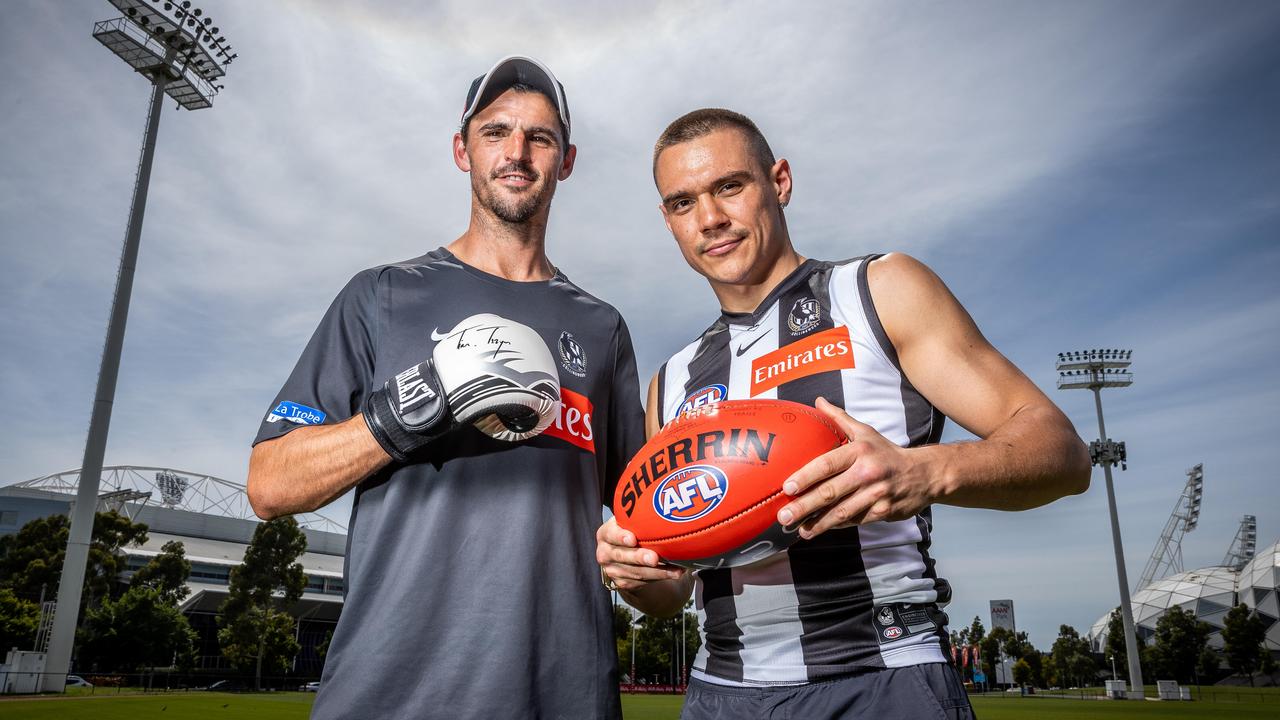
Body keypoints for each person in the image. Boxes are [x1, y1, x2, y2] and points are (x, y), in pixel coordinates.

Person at [596, 108, 1092, 719]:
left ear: (779, 182)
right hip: (720, 691)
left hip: (878, 675)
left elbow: (1063, 452)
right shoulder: (671, 381)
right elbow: (676, 588)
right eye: (682, 202)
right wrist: (638, 570)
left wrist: (923, 472)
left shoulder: (878, 292)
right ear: (667, 220)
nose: (710, 219)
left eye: (730, 186)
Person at [248, 56, 644, 720]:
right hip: (389, 697)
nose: (516, 152)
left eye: (539, 137)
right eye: (496, 131)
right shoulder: (383, 295)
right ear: (463, 149)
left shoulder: (602, 328)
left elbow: (645, 525)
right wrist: (401, 415)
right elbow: (269, 483)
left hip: (560, 698)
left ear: (566, 160)